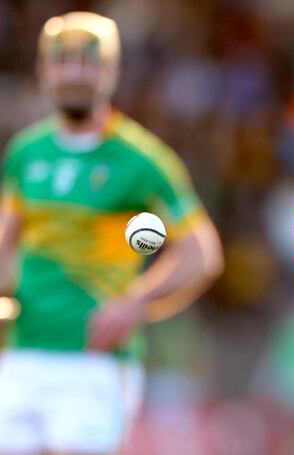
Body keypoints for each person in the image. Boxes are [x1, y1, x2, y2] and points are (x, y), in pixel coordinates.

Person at [0, 12, 223, 455]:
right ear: (43, 70)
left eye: (88, 63)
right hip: (23, 352)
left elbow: (201, 254)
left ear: (112, 72)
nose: (74, 75)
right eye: (62, 62)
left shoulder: (142, 160)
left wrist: (136, 302)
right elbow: (5, 245)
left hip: (95, 364)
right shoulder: (25, 153)